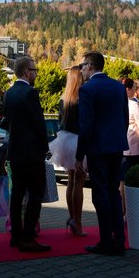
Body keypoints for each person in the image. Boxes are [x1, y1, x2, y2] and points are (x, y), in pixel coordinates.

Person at [75, 52, 128, 256]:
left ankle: (106, 240)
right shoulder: (118, 86)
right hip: (116, 146)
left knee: (100, 194)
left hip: (98, 148)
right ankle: (119, 240)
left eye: (82, 65)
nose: (81, 69)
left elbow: (86, 125)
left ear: (90, 66)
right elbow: (123, 118)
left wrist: (80, 155)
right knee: (113, 191)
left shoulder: (87, 89)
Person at [0, 56, 51, 252]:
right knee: (35, 194)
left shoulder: (9, 93)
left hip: (14, 151)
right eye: (35, 70)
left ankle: (15, 235)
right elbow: (39, 123)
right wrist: (45, 146)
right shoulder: (30, 93)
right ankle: (28, 237)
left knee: (17, 194)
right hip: (31, 153)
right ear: (26, 72)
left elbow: (5, 122)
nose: (36, 73)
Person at [48, 65, 87, 236]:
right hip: (78, 141)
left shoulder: (63, 98)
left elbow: (59, 121)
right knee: (79, 182)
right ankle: (77, 222)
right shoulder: (83, 97)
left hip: (65, 140)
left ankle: (71, 217)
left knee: (71, 181)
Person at [120, 77, 139, 216]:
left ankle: (122, 210)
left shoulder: (117, 103)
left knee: (122, 181)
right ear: (129, 89)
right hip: (134, 146)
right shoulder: (133, 105)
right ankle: (131, 211)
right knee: (132, 181)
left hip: (121, 146)